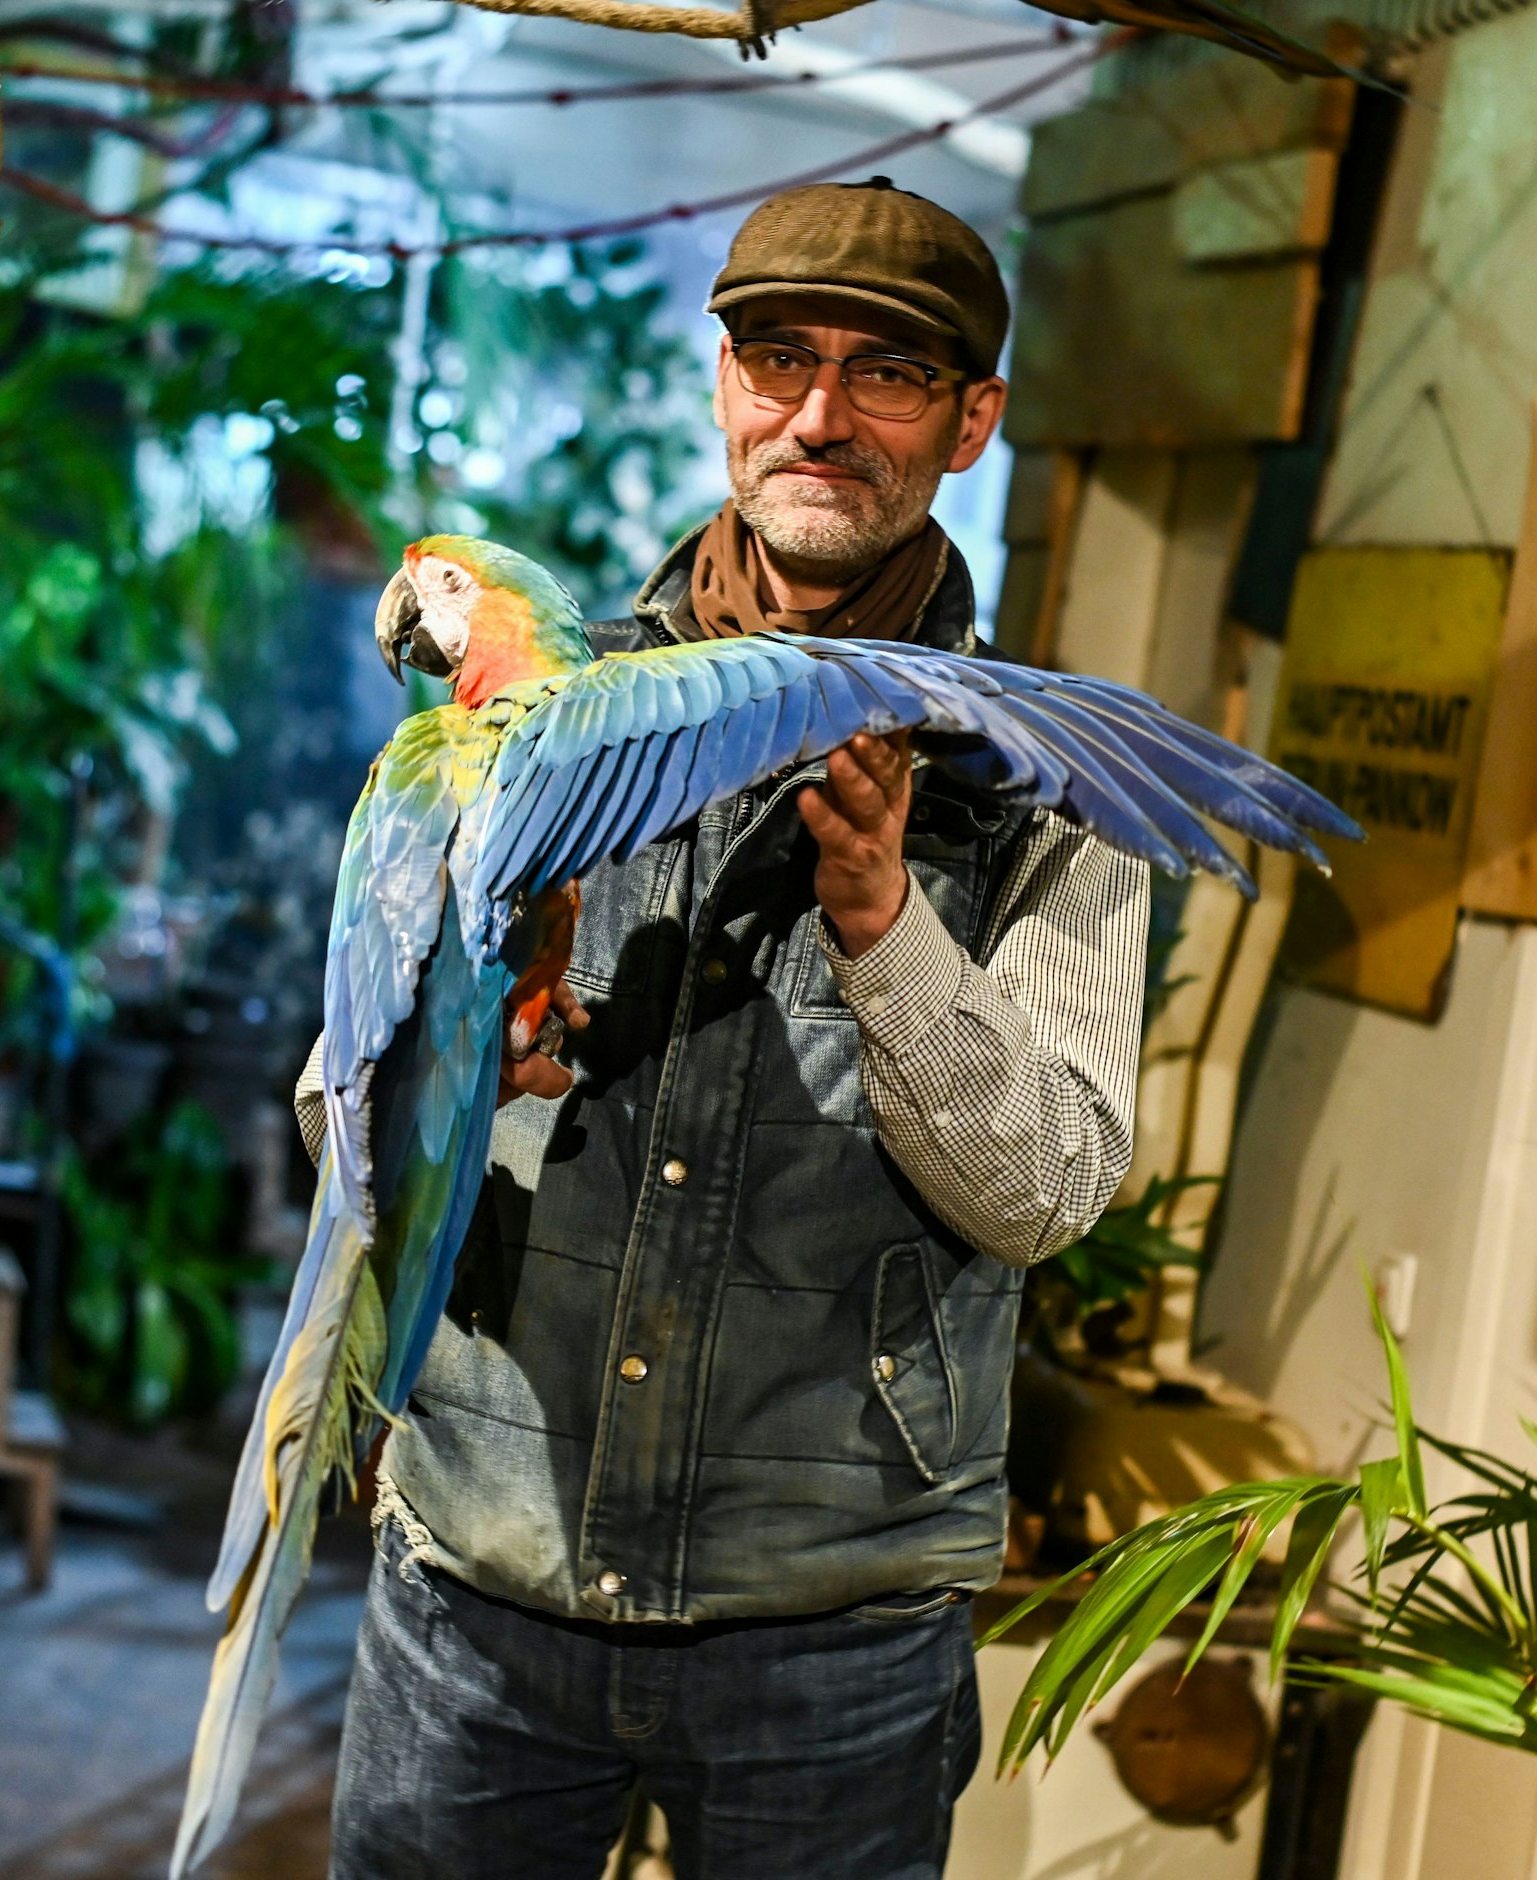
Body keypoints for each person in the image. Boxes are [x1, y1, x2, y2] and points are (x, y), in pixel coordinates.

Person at [298, 176, 1150, 1880]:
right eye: (779, 357)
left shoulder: (1060, 785)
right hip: (485, 1577)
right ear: (723, 387)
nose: (819, 416)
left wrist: (887, 929)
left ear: (973, 422)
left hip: (831, 1638)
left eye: (889, 375)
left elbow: (1049, 1190)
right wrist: (442, 1071)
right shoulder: (526, 720)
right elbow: (337, 1112)